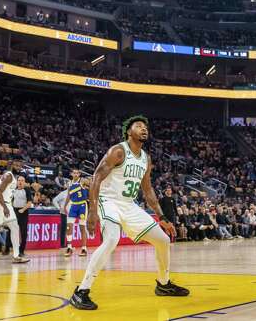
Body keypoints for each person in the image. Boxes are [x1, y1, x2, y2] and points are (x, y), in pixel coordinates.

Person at [70, 115, 188, 311]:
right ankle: (81, 291)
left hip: (128, 204)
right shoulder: (118, 151)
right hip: (108, 201)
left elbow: (148, 190)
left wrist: (163, 217)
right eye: (139, 126)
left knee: (163, 240)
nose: (144, 129)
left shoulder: (145, 158)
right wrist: (92, 210)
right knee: (111, 240)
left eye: (145, 127)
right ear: (128, 131)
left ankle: (164, 284)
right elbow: (96, 178)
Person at [64, 169, 89, 257]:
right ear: (71, 174)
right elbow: (68, 195)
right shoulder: (69, 183)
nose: (75, 174)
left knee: (82, 227)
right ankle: (69, 247)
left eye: (77, 173)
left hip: (82, 205)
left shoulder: (82, 181)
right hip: (73, 205)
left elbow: (92, 185)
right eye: (74, 173)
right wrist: (64, 206)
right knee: (68, 227)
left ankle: (84, 248)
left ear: (79, 174)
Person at [12, 176, 33, 257]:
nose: (20, 182)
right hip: (14, 211)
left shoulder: (27, 190)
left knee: (23, 232)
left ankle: (22, 250)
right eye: (19, 180)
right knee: (12, 231)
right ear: (17, 182)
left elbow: (29, 203)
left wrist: (23, 209)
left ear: (24, 182)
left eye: (22, 180)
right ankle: (9, 248)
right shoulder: (13, 190)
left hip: (23, 212)